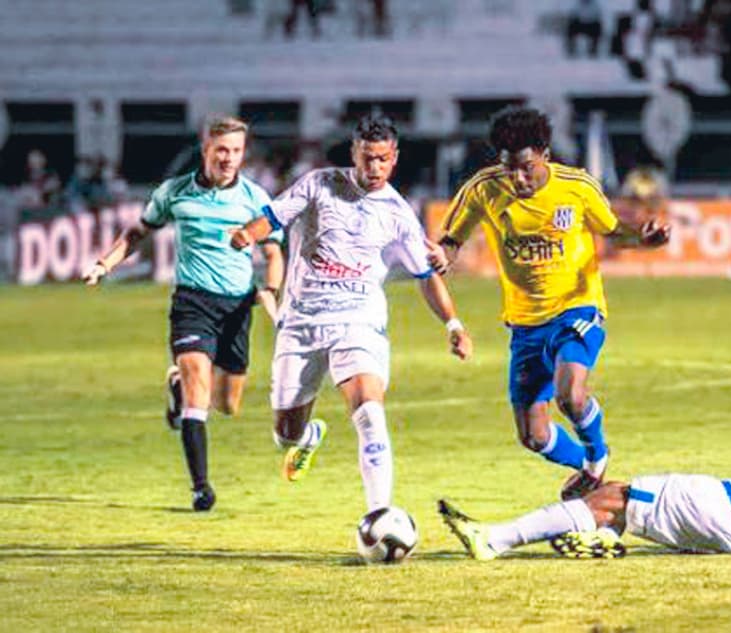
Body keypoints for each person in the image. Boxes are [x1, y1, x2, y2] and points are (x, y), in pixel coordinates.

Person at [229, 114, 473, 515]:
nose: (374, 168)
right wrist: (246, 234)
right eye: (366, 158)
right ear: (353, 154)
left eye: (382, 159)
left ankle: (380, 514)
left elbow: (425, 275)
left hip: (358, 323)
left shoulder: (398, 213)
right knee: (284, 434)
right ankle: (307, 438)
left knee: (370, 413)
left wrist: (453, 324)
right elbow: (273, 217)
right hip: (302, 323)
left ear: (394, 158)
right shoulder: (319, 184)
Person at [429, 106, 669, 501]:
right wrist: (443, 255)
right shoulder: (483, 188)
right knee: (533, 436)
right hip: (524, 323)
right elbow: (451, 240)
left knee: (570, 395)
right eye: (509, 168)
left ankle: (596, 459)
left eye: (525, 167)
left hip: (577, 308)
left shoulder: (576, 186)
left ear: (544, 152)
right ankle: (591, 470)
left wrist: (642, 239)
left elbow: (612, 231)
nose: (517, 178)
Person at [439, 384, 731, 560]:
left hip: (729, 509)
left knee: (616, 497)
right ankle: (597, 535)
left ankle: (494, 539)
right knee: (616, 503)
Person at [82, 115, 285, 512]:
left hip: (237, 306)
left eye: (236, 151)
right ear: (205, 148)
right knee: (198, 389)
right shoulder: (175, 193)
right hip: (192, 303)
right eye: (221, 150)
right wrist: (105, 265)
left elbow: (274, 252)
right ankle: (201, 487)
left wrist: (271, 290)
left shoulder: (256, 198)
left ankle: (176, 387)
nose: (229, 158)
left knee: (228, 405)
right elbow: (139, 231)